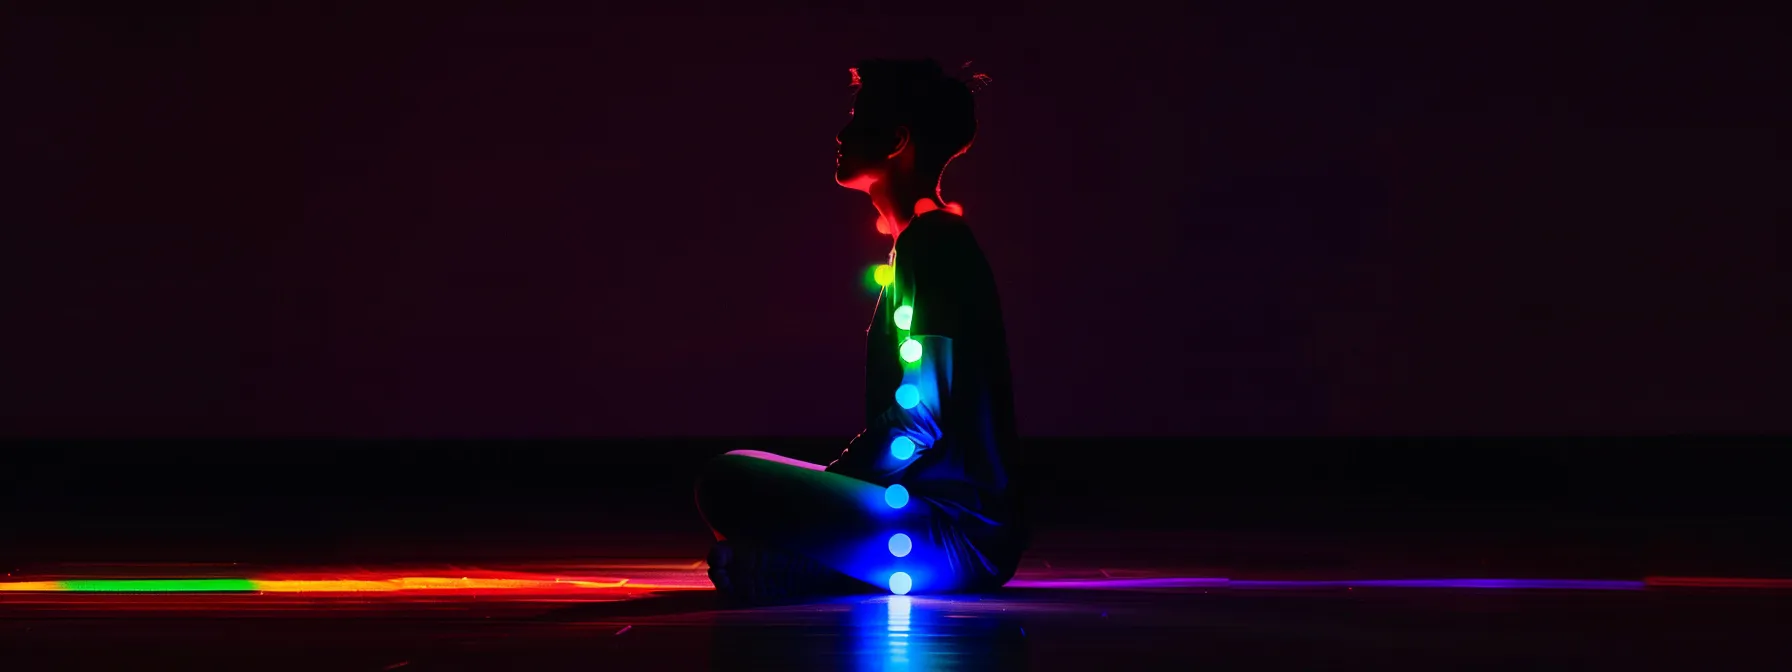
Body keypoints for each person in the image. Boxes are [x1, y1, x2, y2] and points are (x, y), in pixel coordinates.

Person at [694, 58, 1024, 601]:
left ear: (897, 140)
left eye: (857, 118)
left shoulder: (934, 241)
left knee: (727, 479)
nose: (842, 134)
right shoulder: (922, 242)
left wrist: (834, 485)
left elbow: (922, 416)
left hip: (951, 536)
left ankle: (820, 567)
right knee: (736, 479)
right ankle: (816, 567)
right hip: (940, 531)